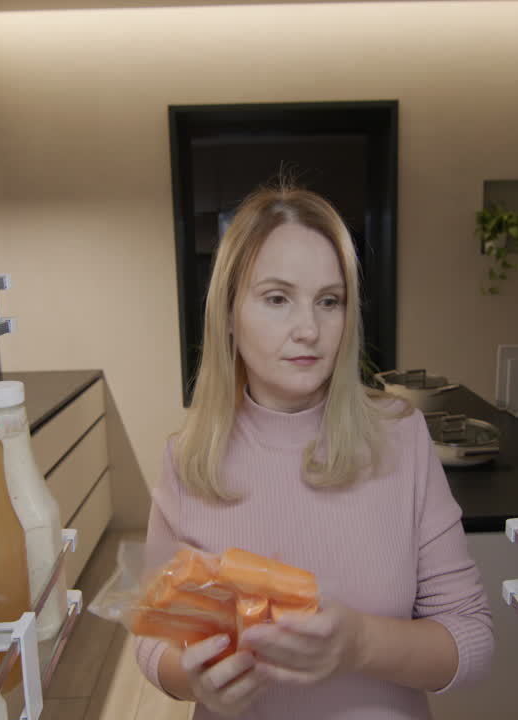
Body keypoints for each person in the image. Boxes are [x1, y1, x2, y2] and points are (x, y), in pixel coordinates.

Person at [135, 184, 494, 719]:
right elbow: (153, 640)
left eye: (329, 301)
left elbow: (471, 640)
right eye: (277, 299)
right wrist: (192, 678)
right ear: (228, 314)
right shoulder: (189, 458)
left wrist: (360, 645)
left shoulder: (401, 437)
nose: (309, 330)